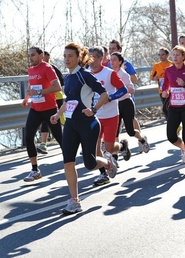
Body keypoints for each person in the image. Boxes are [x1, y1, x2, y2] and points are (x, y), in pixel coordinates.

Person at [50, 42, 117, 214]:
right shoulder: (68, 77)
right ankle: (74, 200)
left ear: (79, 57)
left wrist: (94, 109)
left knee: (90, 163)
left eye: (70, 56)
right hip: (71, 124)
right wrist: (58, 114)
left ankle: (108, 163)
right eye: (64, 56)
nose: (66, 59)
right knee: (68, 161)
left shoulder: (85, 75)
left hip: (88, 124)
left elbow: (104, 94)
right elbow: (69, 100)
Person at [88, 47, 131, 186]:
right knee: (95, 147)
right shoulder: (87, 74)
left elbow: (123, 90)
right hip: (95, 116)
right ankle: (103, 174)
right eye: (89, 56)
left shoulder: (109, 73)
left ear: (101, 59)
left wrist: (110, 97)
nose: (91, 59)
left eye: (94, 57)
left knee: (110, 148)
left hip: (111, 115)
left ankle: (123, 146)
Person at [21, 46, 63, 182]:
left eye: (33, 55)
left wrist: (39, 92)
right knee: (28, 137)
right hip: (35, 109)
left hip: (50, 109)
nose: (30, 58)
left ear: (41, 55)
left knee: (60, 138)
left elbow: (57, 87)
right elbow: (31, 85)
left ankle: (70, 161)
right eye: (29, 55)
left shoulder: (47, 68)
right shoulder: (31, 70)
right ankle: (35, 170)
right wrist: (27, 97)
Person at [162, 45, 185, 174]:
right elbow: (165, 85)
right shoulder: (168, 71)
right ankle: (184, 149)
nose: (175, 57)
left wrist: (184, 84)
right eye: (174, 55)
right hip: (173, 107)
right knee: (171, 136)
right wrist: (165, 92)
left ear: (184, 57)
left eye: (178, 55)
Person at [111, 51, 150, 158]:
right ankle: (115, 157)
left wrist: (123, 90)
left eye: (114, 59)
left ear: (120, 62)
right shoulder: (109, 73)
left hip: (126, 103)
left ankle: (142, 139)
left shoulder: (124, 74)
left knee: (130, 131)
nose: (112, 61)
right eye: (111, 59)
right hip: (115, 105)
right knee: (115, 132)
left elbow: (132, 89)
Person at [36, 51, 65, 155]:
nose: (44, 60)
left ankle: (72, 137)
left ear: (49, 57)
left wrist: (50, 86)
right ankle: (43, 144)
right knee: (45, 120)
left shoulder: (52, 68)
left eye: (46, 58)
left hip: (57, 98)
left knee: (62, 119)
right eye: (43, 58)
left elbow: (62, 81)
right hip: (45, 99)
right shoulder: (38, 69)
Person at [150, 47, 172, 119]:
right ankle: (170, 122)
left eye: (162, 54)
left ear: (167, 55)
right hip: (162, 90)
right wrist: (154, 78)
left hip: (171, 89)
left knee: (171, 107)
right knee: (165, 108)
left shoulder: (171, 64)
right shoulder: (156, 66)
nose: (160, 56)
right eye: (159, 54)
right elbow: (151, 77)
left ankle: (174, 122)